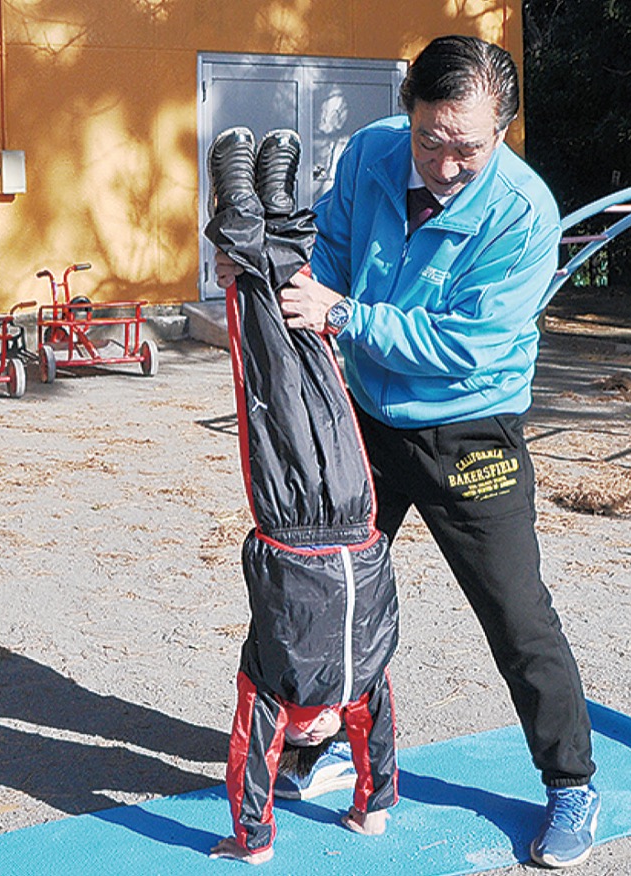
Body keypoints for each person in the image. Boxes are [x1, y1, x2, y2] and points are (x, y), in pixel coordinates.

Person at [215, 35, 599, 869]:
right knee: (314, 585)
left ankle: (571, 781)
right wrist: (261, 275)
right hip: (369, 418)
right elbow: (330, 263)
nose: (447, 162)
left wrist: (344, 315)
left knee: (517, 615)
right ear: (409, 110)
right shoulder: (371, 157)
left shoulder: (524, 215)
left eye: (470, 146)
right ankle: (310, 745)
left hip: (470, 429)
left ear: (502, 131)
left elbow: (468, 346)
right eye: (431, 138)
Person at [202, 126, 400, 865]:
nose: (314, 738)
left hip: (348, 506)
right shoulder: (284, 680)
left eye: (304, 745)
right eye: (312, 741)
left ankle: (270, 203)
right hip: (315, 509)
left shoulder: (362, 677)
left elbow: (373, 742)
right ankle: (255, 205)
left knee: (302, 367)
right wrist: (252, 841)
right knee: (280, 348)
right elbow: (251, 756)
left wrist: (374, 809)